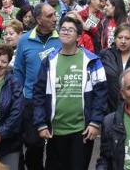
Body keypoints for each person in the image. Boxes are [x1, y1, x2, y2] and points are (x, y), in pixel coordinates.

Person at [33, 16, 107, 170]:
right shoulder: (49, 61)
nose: (65, 32)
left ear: (79, 37)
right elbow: (39, 93)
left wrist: (95, 122)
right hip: (55, 131)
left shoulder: (92, 61)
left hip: (82, 131)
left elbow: (101, 95)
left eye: (70, 30)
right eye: (63, 29)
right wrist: (41, 123)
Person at [13, 3, 61, 170]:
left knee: (56, 145)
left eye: (55, 14)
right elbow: (18, 71)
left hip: (57, 100)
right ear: (39, 19)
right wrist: (19, 96)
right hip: (31, 100)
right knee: (34, 144)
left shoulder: (61, 38)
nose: (55, 18)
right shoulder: (24, 40)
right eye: (50, 16)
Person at [100, 23, 130, 112]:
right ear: (115, 39)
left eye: (127, 38)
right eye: (120, 38)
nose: (123, 41)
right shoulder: (106, 55)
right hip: (111, 107)